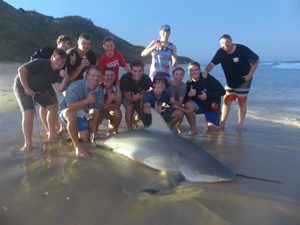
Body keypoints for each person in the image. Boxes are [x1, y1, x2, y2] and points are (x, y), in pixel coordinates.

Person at [13, 49, 69, 152]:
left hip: (39, 90)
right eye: (58, 59)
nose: (60, 63)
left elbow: (60, 89)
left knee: (53, 107)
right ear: (52, 57)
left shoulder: (57, 73)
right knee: (29, 113)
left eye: (62, 61)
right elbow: (21, 70)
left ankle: (52, 134)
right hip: (22, 86)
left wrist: (65, 77)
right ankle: (28, 144)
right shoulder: (40, 62)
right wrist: (26, 88)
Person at [202, 34, 259, 131]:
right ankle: (222, 124)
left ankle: (240, 126)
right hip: (230, 82)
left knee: (241, 103)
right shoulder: (221, 52)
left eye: (227, 42)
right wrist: (205, 72)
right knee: (226, 101)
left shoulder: (241, 49)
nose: (225, 45)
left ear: (231, 41)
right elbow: (211, 64)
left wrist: (250, 75)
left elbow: (256, 59)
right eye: (222, 44)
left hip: (244, 80)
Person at [30, 34, 71, 135]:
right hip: (40, 82)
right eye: (64, 42)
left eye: (68, 44)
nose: (66, 45)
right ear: (58, 43)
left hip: (50, 82)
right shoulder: (48, 50)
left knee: (53, 106)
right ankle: (49, 130)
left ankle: (55, 129)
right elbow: (33, 59)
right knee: (47, 107)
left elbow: (62, 73)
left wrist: (72, 63)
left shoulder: (65, 58)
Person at [59, 65, 104, 157]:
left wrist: (94, 131)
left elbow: (96, 111)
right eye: (93, 75)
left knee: (85, 139)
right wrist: (87, 100)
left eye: (98, 76)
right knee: (72, 115)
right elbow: (70, 106)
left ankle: (69, 130)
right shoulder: (76, 86)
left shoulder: (99, 91)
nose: (95, 78)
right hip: (67, 110)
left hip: (81, 112)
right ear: (87, 76)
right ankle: (77, 147)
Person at [184, 62, 225, 135]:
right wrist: (188, 95)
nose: (194, 72)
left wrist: (207, 95)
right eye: (191, 70)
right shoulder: (188, 83)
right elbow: (183, 100)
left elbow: (222, 91)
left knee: (211, 129)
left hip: (212, 105)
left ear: (200, 71)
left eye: (196, 69)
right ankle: (194, 129)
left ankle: (221, 125)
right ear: (188, 72)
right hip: (199, 104)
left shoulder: (208, 78)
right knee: (187, 105)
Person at [120, 60, 151, 130]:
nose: (137, 73)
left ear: (143, 71)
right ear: (131, 71)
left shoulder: (146, 79)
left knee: (144, 107)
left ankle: (144, 124)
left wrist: (140, 99)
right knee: (130, 107)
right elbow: (127, 97)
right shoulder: (125, 79)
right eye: (135, 71)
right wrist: (134, 99)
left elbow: (143, 92)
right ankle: (129, 128)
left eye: (140, 71)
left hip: (139, 96)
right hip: (126, 97)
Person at [98, 68, 122, 135]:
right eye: (107, 75)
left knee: (118, 113)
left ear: (115, 76)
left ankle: (114, 130)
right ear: (103, 76)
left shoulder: (116, 87)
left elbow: (118, 104)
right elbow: (99, 107)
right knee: (95, 113)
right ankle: (94, 132)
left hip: (110, 110)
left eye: (112, 75)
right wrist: (109, 101)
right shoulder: (99, 87)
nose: (110, 77)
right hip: (100, 111)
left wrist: (118, 86)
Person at [167, 66, 187, 133]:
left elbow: (180, 102)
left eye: (181, 75)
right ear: (173, 75)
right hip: (165, 104)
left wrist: (174, 101)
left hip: (175, 104)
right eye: (177, 74)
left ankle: (177, 126)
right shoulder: (168, 83)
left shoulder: (184, 86)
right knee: (182, 109)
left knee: (181, 109)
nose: (179, 76)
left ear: (183, 76)